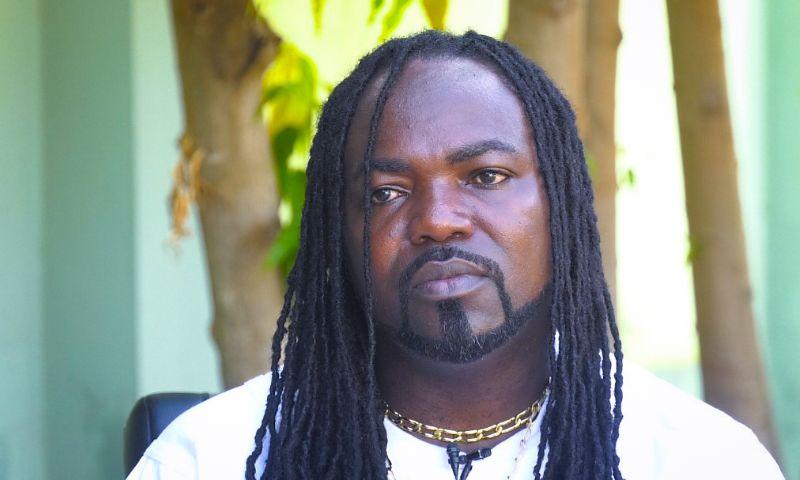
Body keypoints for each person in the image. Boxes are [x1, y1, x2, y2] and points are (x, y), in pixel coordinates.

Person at [127, 30, 783, 479]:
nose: (438, 221)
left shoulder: (697, 461)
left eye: (486, 176)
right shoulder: (208, 460)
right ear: (337, 233)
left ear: (560, 204)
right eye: (386, 192)